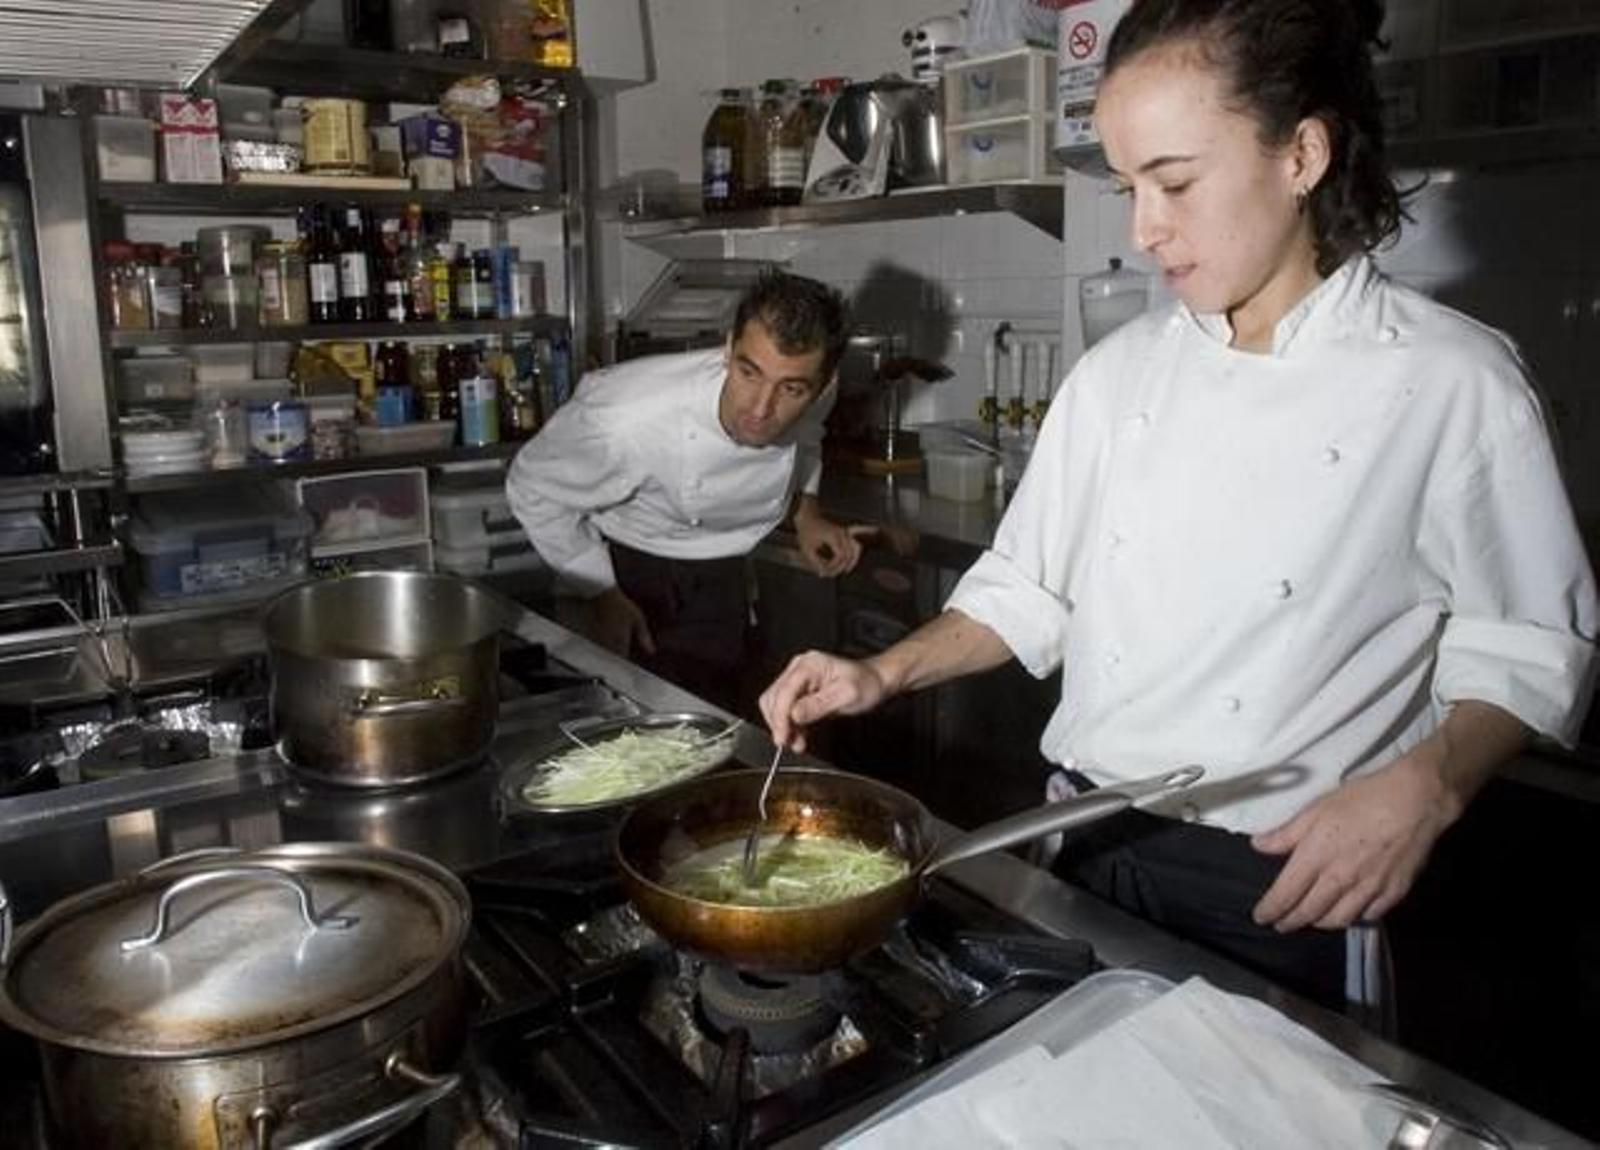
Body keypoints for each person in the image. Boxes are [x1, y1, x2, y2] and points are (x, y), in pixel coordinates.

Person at [759, 0, 1598, 1012]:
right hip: (1079, 838)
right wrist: (879, 673)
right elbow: (1026, 591)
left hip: (1284, 875)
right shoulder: (1119, 375)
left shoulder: (1452, 380)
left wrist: (1429, 783)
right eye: (1128, 187)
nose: (1143, 229)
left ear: (1301, 155)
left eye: (1176, 182)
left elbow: (1525, 645)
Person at [507, 267, 868, 713]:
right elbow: (531, 486)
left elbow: (809, 434)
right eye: (749, 372)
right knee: (642, 725)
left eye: (790, 389)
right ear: (728, 347)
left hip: (726, 572)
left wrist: (806, 511)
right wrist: (601, 592)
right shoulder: (626, 417)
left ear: (823, 382)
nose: (761, 408)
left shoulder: (820, 387)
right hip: (637, 575)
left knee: (726, 717)